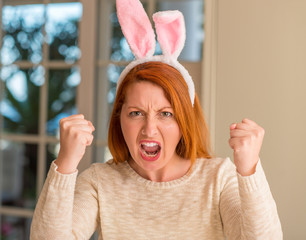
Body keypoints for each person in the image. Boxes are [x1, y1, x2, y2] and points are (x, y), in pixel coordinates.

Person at [30, 0, 283, 239]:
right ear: (120, 119)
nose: (149, 129)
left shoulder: (218, 178)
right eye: (136, 113)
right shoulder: (100, 182)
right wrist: (64, 165)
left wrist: (249, 171)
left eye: (166, 114)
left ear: (185, 121)